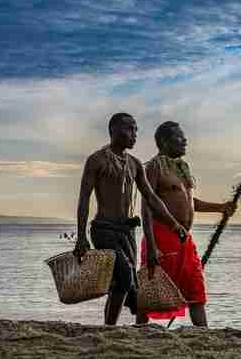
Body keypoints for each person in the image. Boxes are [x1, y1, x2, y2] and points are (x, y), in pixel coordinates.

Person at [73, 113, 189, 325]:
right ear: (113, 131)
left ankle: (108, 327)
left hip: (127, 232)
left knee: (121, 283)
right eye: (129, 129)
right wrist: (81, 237)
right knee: (126, 276)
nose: (134, 135)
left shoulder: (134, 163)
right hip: (103, 230)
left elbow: (152, 198)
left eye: (136, 130)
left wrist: (174, 224)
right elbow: (83, 199)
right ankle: (110, 327)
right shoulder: (97, 160)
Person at [136, 121, 236, 327]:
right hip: (161, 236)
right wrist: (152, 247)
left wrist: (221, 207)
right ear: (164, 141)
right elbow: (146, 208)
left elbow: (191, 203)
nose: (185, 141)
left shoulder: (182, 169)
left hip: (184, 239)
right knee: (152, 290)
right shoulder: (155, 167)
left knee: (195, 290)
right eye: (179, 137)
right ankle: (140, 331)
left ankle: (204, 333)